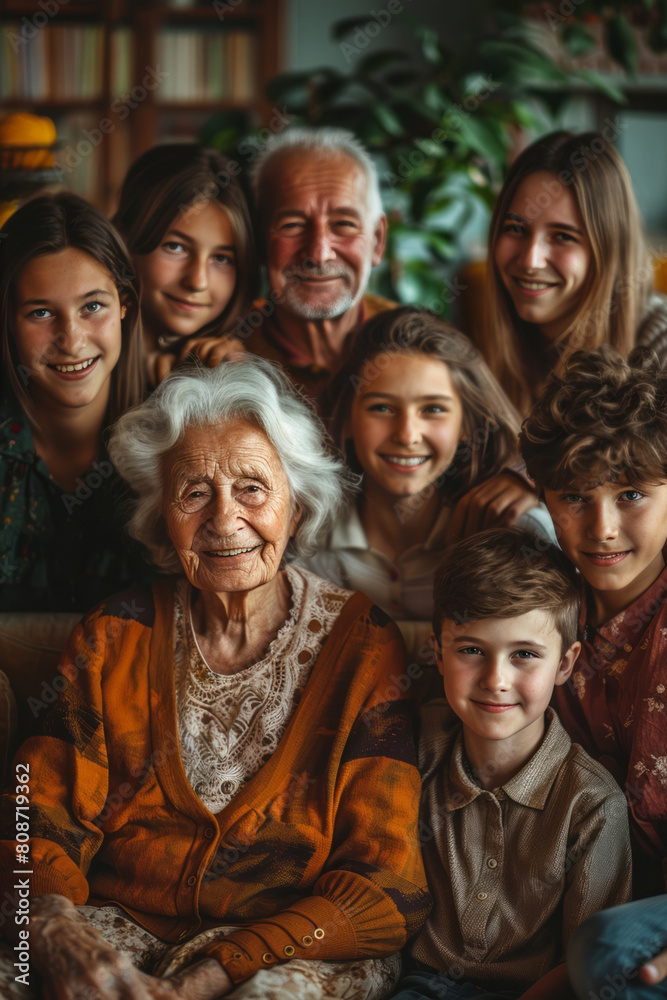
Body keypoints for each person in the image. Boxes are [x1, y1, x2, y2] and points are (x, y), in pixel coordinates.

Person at [0, 358, 429, 1000]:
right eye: (194, 492)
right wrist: (56, 928)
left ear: (297, 503)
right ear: (162, 518)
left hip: (287, 942)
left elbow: (383, 884)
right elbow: (34, 815)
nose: (224, 519)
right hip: (116, 926)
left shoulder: (365, 647)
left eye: (252, 488)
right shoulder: (116, 634)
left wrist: (211, 974)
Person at [392, 527, 631, 1000]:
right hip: (412, 986)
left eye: (524, 655)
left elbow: (588, 962)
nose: (496, 680)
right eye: (471, 651)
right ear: (438, 653)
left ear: (565, 665)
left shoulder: (592, 805)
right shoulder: (413, 752)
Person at [520, 345, 667, 998]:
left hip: (632, 925)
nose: (602, 527)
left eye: (631, 493)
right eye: (574, 496)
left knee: (605, 955)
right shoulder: (539, 621)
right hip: (602, 893)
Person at [299, 307, 552, 663]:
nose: (406, 435)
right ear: (347, 419)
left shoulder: (516, 532)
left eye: (433, 409)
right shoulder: (302, 536)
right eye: (382, 408)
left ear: (466, 425)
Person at [0, 191, 146, 612]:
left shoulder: (173, 447)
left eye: (92, 307)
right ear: (7, 321)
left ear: (125, 305)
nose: (72, 340)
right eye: (41, 313)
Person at [484, 129, 667, 415]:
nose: (531, 260)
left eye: (563, 236)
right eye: (516, 229)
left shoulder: (660, 353)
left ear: (609, 249)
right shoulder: (484, 343)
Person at [238, 126, 394, 404]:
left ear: (378, 240)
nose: (319, 255)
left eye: (344, 224)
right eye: (292, 225)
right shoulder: (226, 357)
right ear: (259, 240)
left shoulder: (418, 345)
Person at [113, 143, 258, 387]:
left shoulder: (240, 358)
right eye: (176, 247)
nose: (197, 281)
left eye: (221, 258)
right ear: (129, 239)